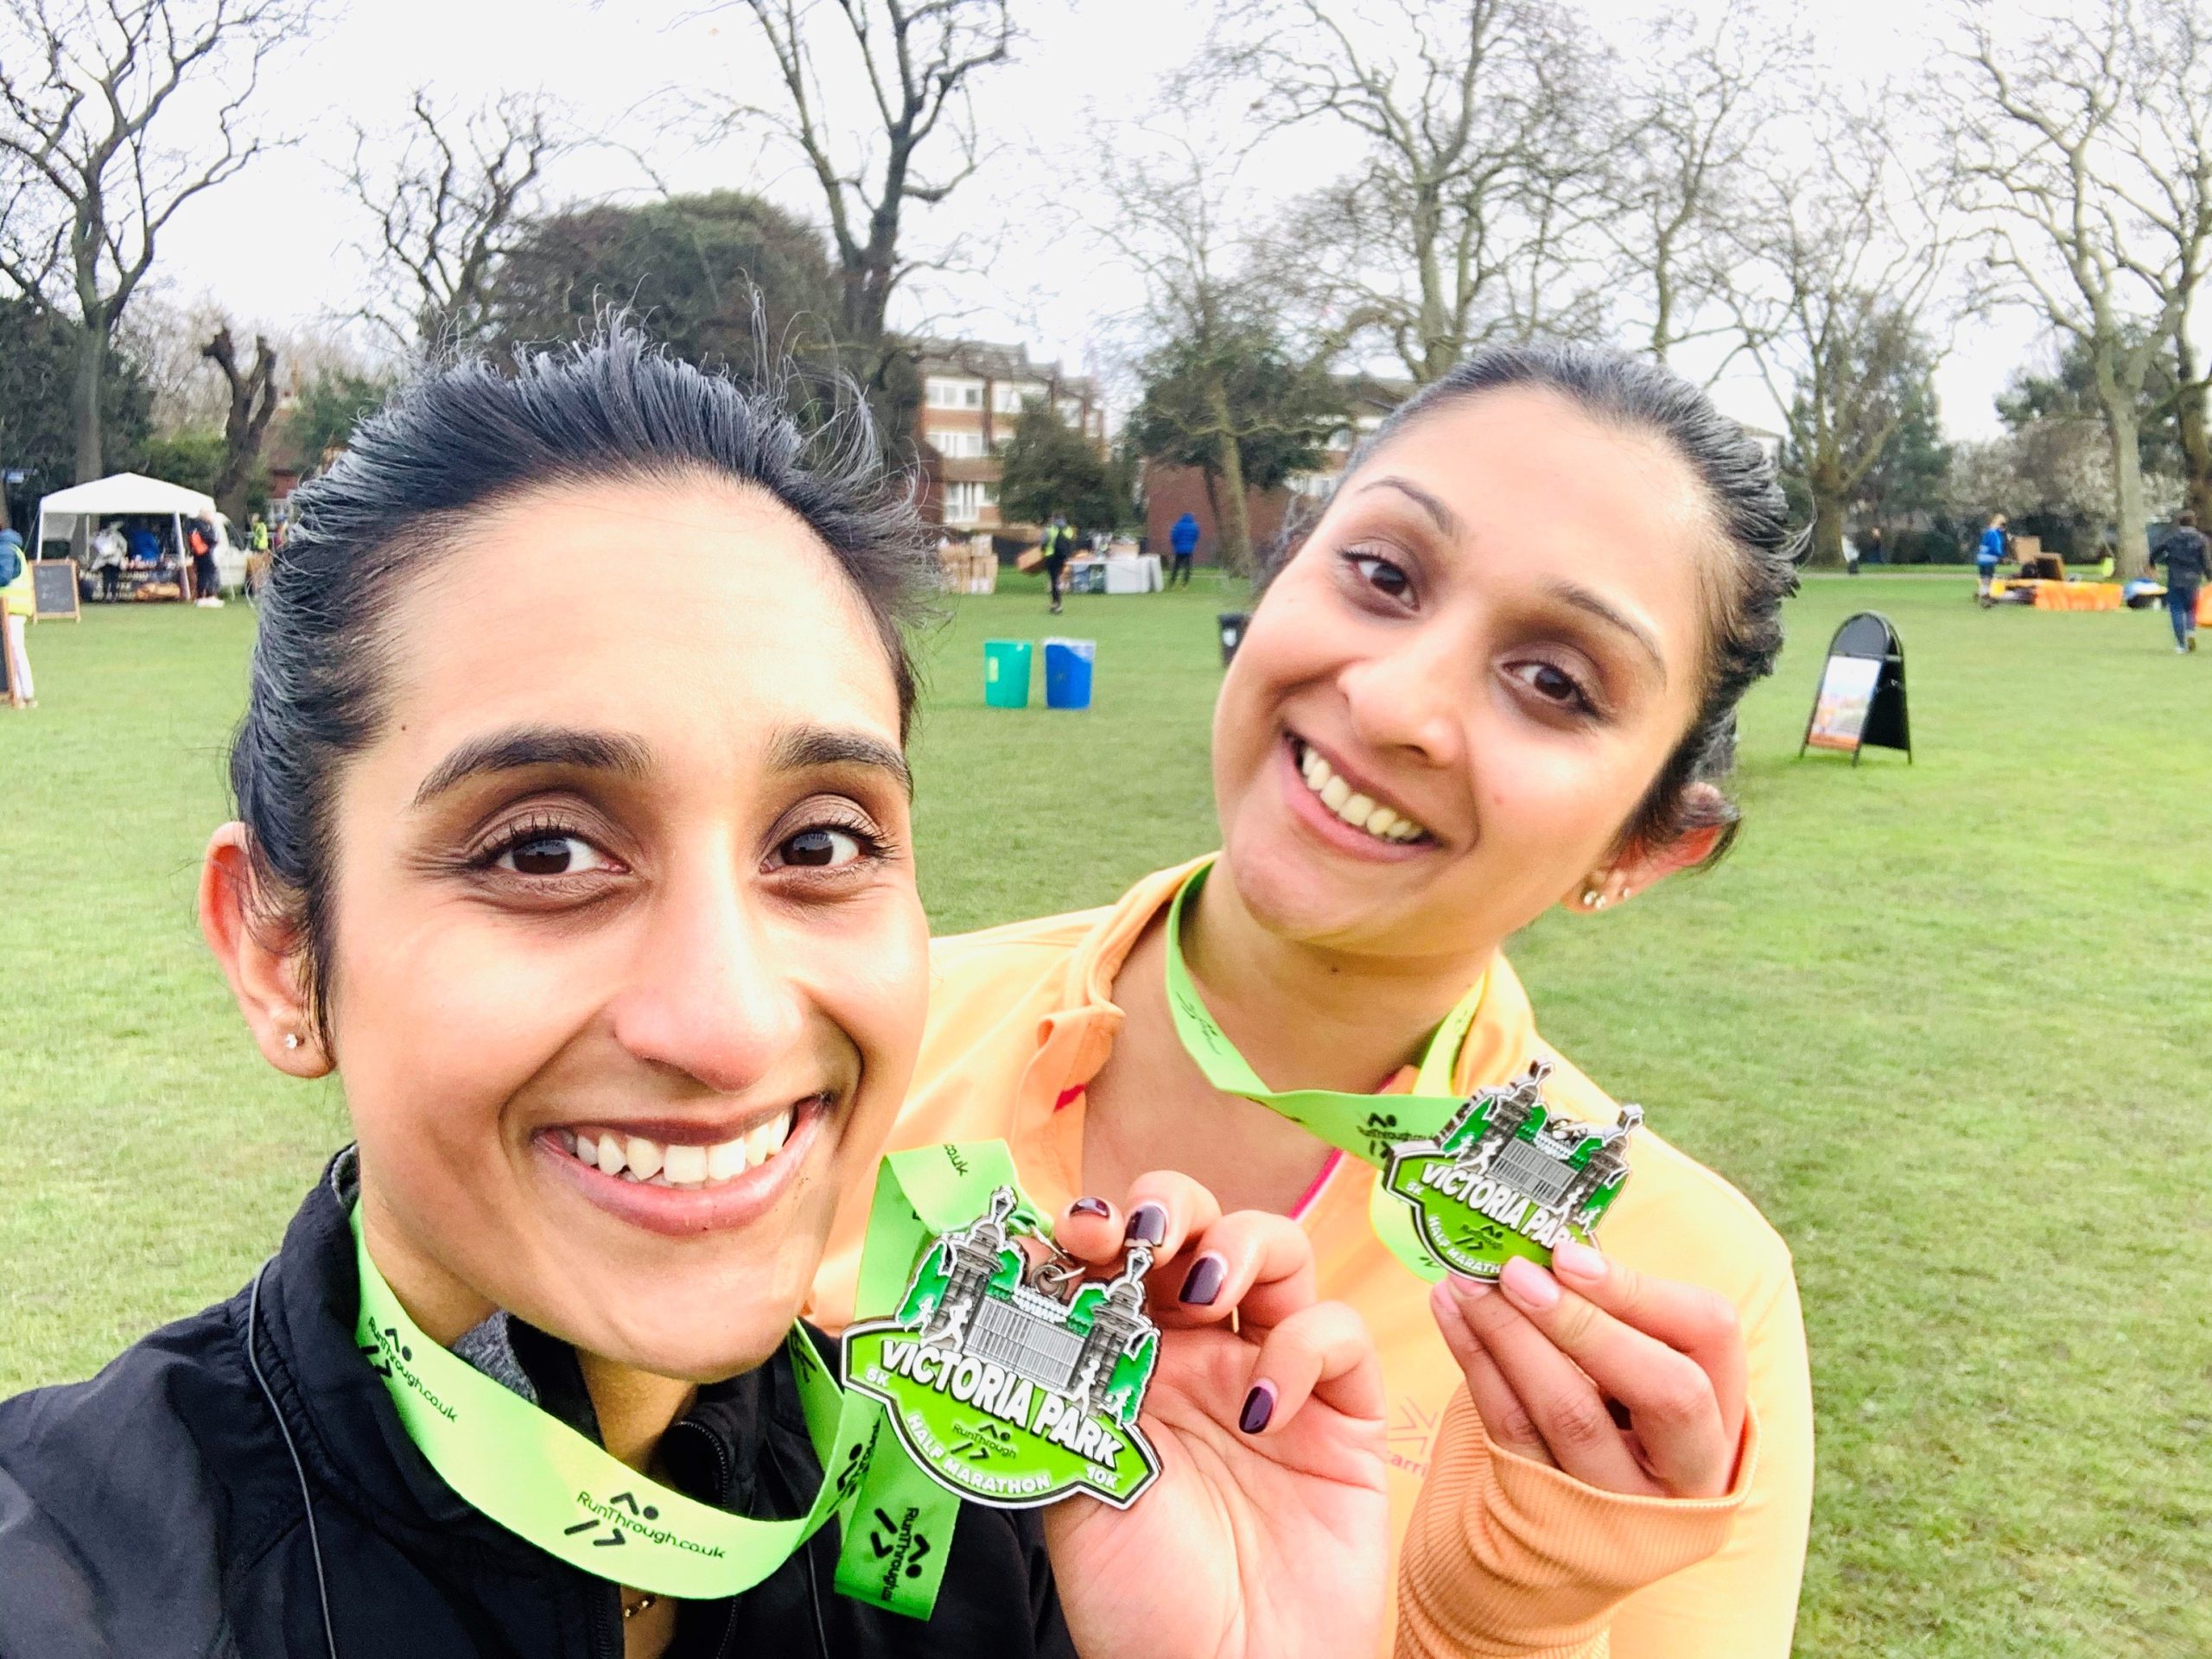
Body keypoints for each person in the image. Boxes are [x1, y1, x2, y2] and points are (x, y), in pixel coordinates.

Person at [0, 329, 1392, 1659]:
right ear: (279, 950)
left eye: (821, 843)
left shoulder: (991, 1525)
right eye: (543, 850)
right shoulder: (54, 1582)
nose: (729, 1025)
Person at [810, 342, 1815, 1658]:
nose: (1395, 702)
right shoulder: (861, 1029)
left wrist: (1492, 1627)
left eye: (1556, 681)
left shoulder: (1674, 1302)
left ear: (1642, 847)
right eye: (1385, 575)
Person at [2151, 509, 2208, 653]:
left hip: (2175, 578)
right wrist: (2209, 576)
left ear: (2179, 523)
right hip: (2193, 579)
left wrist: (2152, 563)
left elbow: (2156, 551)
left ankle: (2181, 645)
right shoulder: (2201, 539)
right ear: (2194, 522)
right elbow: (2206, 560)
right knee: (2191, 609)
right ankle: (2190, 631)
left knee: (2176, 609)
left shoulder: (2172, 538)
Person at [0, 526, 33, 704]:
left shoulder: (4, 548)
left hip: (10, 607)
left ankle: (23, 693)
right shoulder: (10, 546)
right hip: (12, 607)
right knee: (14, 650)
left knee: (14, 650)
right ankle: (20, 692)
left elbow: (3, 577)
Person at [1043, 511, 1071, 614]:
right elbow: (1069, 543)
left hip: (1051, 556)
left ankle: (1057, 604)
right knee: (1057, 579)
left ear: (1054, 518)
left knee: (1053, 580)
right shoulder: (1068, 529)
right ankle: (1055, 603)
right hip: (1062, 558)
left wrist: (1043, 550)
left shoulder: (1050, 529)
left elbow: (1043, 542)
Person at [92, 521, 127, 601]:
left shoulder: (101, 535)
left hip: (104, 561)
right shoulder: (116, 535)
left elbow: (95, 544)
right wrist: (123, 554)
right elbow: (124, 545)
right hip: (114, 560)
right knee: (114, 579)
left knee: (106, 579)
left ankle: (105, 596)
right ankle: (113, 596)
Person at [1977, 512, 2006, 605]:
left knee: (1983, 577)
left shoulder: (1988, 532)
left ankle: (1981, 593)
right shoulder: (1995, 534)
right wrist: (2002, 556)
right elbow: (1996, 547)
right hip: (1988, 560)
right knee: (1988, 578)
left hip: (1981, 559)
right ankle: (1985, 597)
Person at [1168, 512, 1199, 588]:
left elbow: (1173, 537)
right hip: (1189, 550)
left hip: (1179, 550)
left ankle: (1172, 583)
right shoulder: (1194, 526)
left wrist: (1175, 545)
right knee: (1187, 567)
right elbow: (1196, 537)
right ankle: (1185, 584)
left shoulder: (1178, 525)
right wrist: (1192, 544)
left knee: (1176, 567)